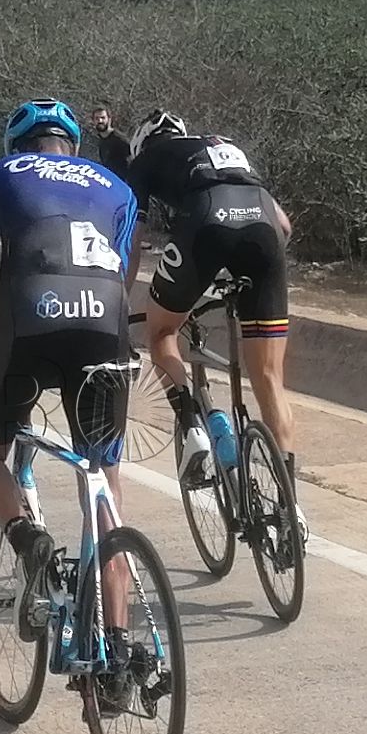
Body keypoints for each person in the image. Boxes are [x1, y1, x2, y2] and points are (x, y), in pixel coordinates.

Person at [0, 99, 141, 682]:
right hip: (106, 320)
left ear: (16, 145)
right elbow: (122, 274)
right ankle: (117, 656)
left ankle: (28, 540)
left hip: (27, 318)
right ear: (73, 144)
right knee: (104, 486)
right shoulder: (116, 185)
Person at [123, 110, 303, 531]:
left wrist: (118, 296)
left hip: (205, 223)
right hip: (264, 233)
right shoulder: (226, 148)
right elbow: (284, 225)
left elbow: (133, 237)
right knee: (270, 379)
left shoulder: (147, 159)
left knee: (162, 330)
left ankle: (191, 429)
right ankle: (290, 508)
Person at [90, 106, 132, 180]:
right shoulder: (101, 140)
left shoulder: (119, 139)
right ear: (93, 121)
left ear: (109, 119)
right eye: (97, 118)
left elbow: (132, 159)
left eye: (103, 118)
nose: (100, 121)